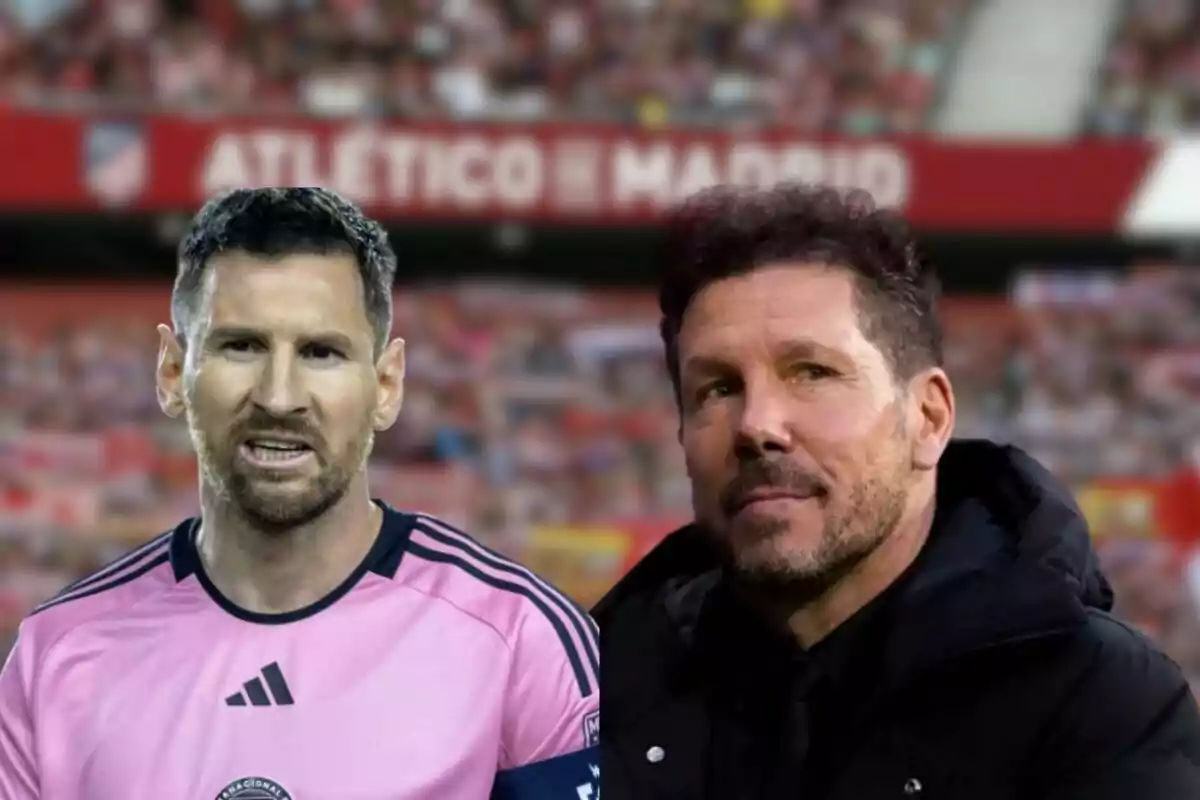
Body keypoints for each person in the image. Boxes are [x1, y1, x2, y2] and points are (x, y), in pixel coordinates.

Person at [595, 183, 1200, 799]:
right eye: (717, 389)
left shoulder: (1095, 700)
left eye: (812, 372)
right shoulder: (588, 691)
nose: (757, 426)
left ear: (928, 418)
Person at [0, 188, 599, 800]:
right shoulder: (58, 656)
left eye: (320, 352)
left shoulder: (518, 640)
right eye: (241, 345)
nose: (279, 396)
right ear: (173, 372)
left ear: (387, 384)